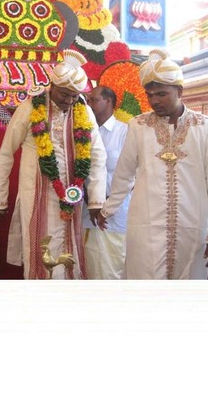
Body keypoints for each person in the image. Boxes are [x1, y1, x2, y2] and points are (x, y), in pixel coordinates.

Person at [97, 49, 208, 279]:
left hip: (192, 226)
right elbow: (124, 174)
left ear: (179, 91)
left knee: (187, 287)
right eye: (150, 95)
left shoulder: (206, 127)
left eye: (161, 94)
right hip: (146, 226)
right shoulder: (138, 126)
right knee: (145, 283)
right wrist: (108, 208)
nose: (154, 101)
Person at [0, 49, 107, 280]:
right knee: (40, 248)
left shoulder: (83, 111)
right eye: (64, 94)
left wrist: (96, 200)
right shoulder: (30, 108)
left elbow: (97, 155)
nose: (69, 101)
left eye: (74, 96)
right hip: (36, 194)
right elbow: (6, 152)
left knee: (69, 249)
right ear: (52, 86)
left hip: (72, 196)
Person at [83, 85, 130, 279]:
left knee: (113, 266)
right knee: (90, 264)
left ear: (108, 102)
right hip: (87, 212)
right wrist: (92, 200)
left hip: (115, 213)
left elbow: (133, 174)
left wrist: (109, 203)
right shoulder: (84, 131)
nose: (88, 104)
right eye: (88, 100)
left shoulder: (125, 132)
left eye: (93, 100)